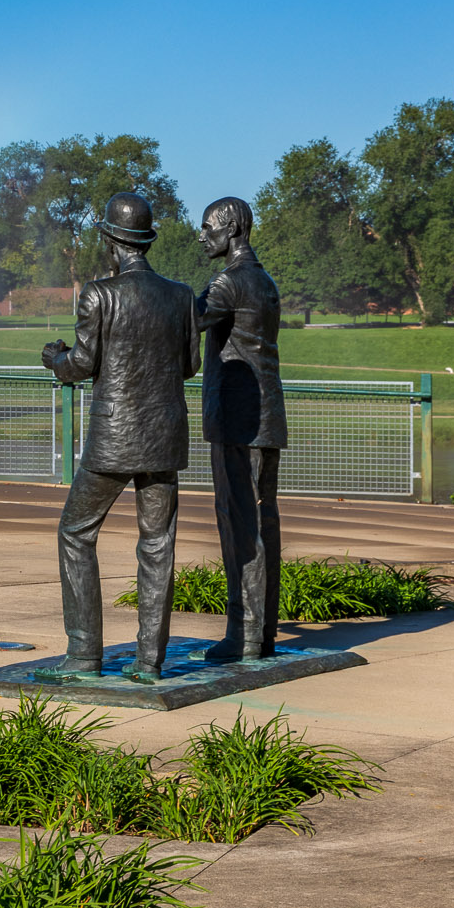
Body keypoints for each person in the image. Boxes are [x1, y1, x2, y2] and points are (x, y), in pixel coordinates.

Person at [36, 192, 200, 684]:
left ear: (110, 241)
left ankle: (85, 654)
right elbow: (190, 365)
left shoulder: (99, 293)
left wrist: (54, 360)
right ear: (144, 242)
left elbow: (82, 365)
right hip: (164, 436)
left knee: (75, 533)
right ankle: (150, 661)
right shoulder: (181, 296)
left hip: (114, 439)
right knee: (158, 545)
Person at [195, 197, 288, 661]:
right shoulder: (264, 280)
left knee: (240, 524)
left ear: (231, 228)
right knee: (262, 522)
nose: (202, 234)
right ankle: (261, 632)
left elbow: (184, 322)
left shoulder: (229, 283)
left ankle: (245, 635)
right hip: (266, 419)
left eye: (208, 226)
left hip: (238, 422)